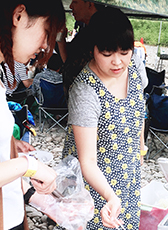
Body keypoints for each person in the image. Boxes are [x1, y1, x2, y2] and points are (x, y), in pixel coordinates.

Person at [61, 8, 146, 229]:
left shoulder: (134, 69)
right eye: (107, 54)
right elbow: (87, 161)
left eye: (125, 52)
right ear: (93, 49)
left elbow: (138, 111)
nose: (118, 62)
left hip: (128, 176)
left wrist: (141, 149)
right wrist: (110, 195)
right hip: (93, 185)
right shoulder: (85, 91)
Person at [0, 0, 65, 229]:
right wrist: (31, 166)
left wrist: (11, 146)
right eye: (47, 32)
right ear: (18, 16)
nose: (46, 46)